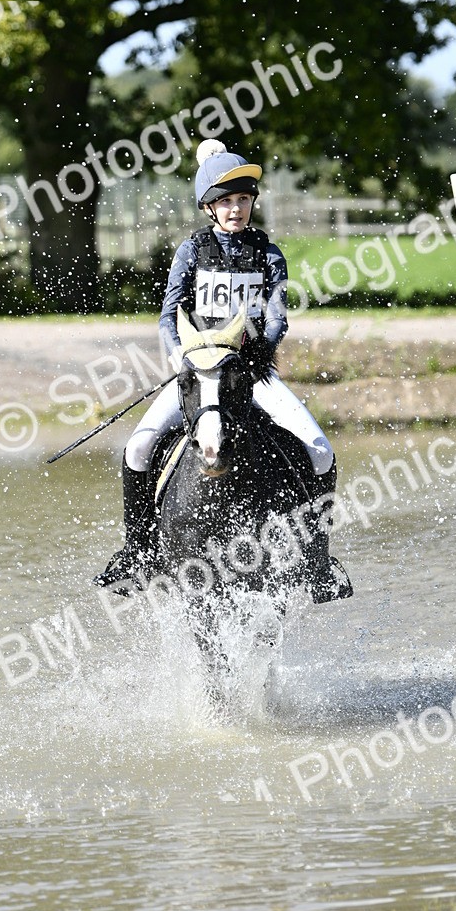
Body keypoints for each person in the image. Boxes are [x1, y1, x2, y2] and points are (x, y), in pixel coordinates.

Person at [94, 139, 351, 601]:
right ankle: (139, 551)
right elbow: (169, 313)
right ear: (210, 208)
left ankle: (317, 561)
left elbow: (276, 318)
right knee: (138, 448)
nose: (236, 209)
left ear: (252, 203)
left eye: (243, 200)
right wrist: (182, 360)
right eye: (226, 202)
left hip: (251, 375)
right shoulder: (191, 252)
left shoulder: (269, 255)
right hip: (198, 375)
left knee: (321, 451)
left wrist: (259, 357)